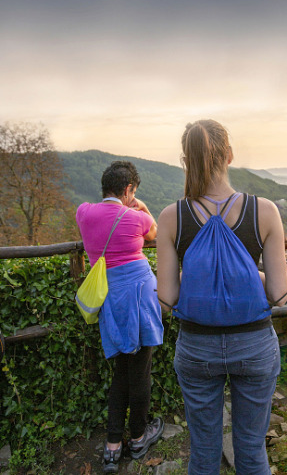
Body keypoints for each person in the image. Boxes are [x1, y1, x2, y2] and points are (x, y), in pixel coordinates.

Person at [156, 119, 287, 474]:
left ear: (186, 160)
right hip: (255, 345)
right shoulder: (265, 211)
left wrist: (201, 274)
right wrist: (246, 274)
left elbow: (166, 299)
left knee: (203, 453)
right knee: (252, 450)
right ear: (229, 155)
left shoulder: (171, 217)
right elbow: (279, 295)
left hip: (197, 347)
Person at [76, 161, 164, 473]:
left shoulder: (83, 212)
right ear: (128, 190)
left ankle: (113, 445)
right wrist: (143, 206)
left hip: (110, 300)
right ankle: (138, 437)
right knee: (140, 370)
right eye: (133, 191)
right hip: (139, 298)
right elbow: (154, 233)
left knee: (121, 372)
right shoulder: (136, 217)